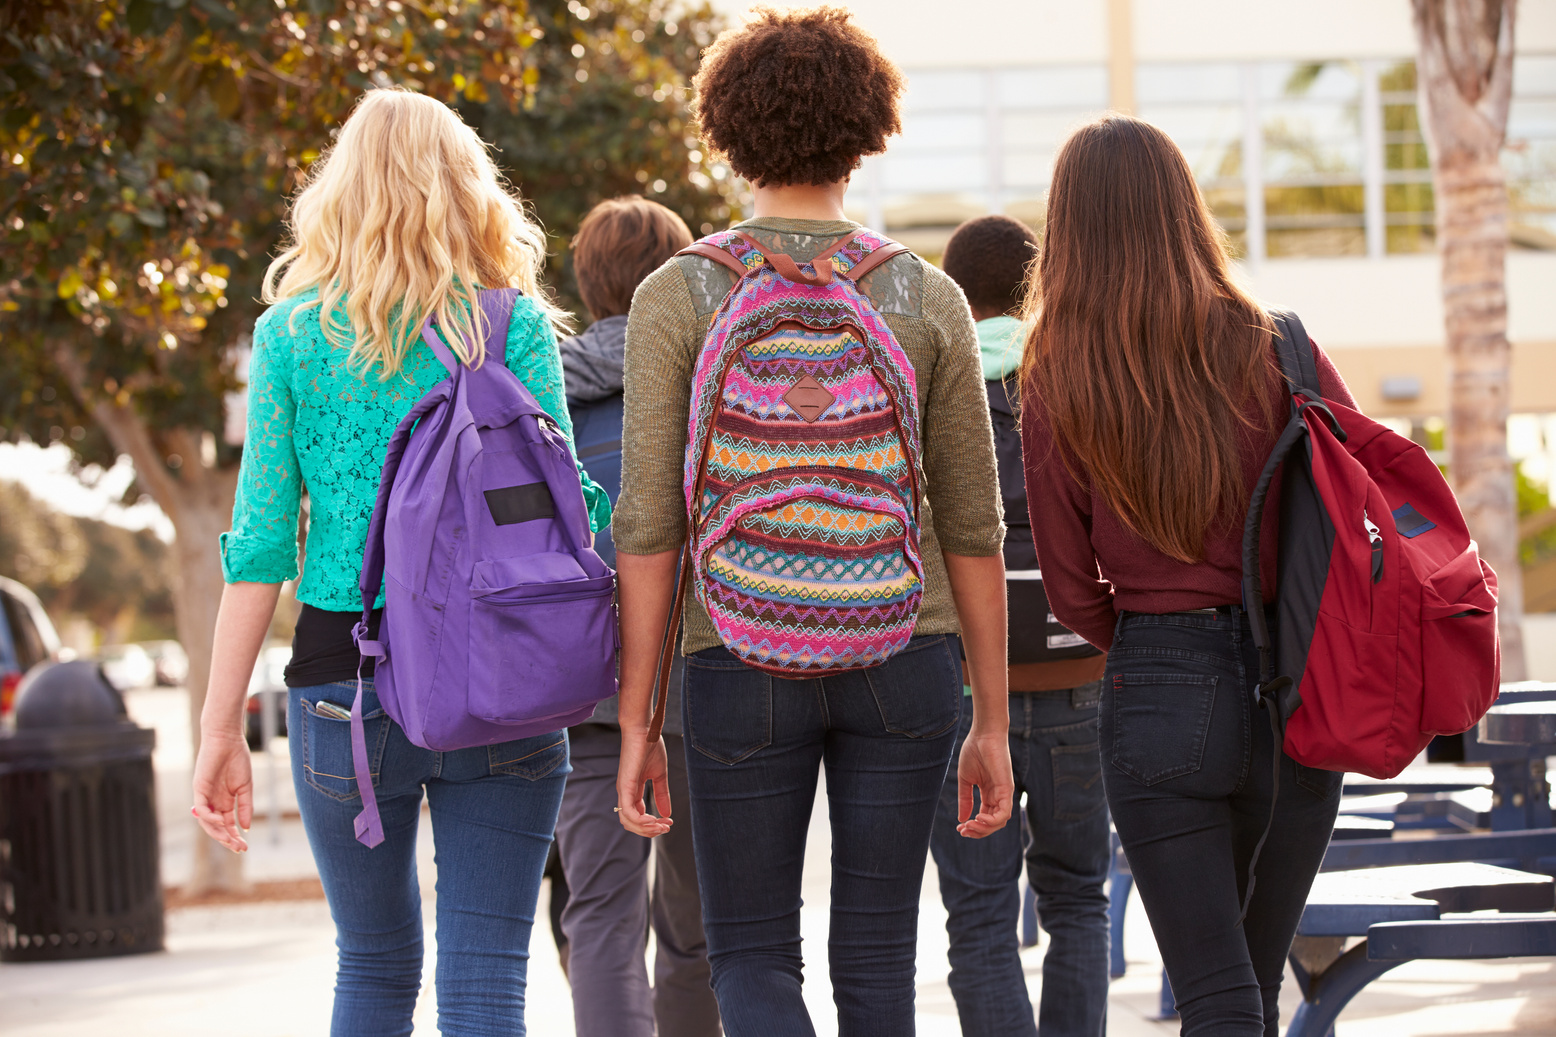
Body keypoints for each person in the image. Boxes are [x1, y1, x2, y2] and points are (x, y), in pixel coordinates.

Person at [611, 9, 1015, 1036]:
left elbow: (649, 524)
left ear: (725, 129)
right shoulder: (922, 295)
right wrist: (993, 720)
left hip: (732, 658)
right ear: (868, 127)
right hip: (903, 651)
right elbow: (972, 523)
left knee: (747, 953)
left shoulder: (678, 291)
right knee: (879, 959)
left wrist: (638, 718)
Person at [190, 88, 611, 1037]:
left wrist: (221, 729)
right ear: (471, 191)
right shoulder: (512, 327)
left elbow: (259, 548)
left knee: (373, 967)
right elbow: (572, 508)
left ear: (337, 195)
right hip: (503, 670)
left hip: (346, 686)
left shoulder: (290, 337)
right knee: (487, 977)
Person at [1021, 115, 1353, 1037]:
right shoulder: (1279, 345)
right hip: (1296, 683)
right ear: (1186, 209)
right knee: (1247, 975)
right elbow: (1355, 502)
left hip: (1159, 676)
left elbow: (1067, 580)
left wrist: (1144, 642)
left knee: (1215, 990)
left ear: (1069, 224)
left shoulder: (1057, 366)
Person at [929, 214, 1111, 1037]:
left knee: (978, 914)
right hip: (1080, 678)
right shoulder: (1080, 387)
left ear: (955, 295)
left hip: (964, 691)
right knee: (1078, 900)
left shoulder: (934, 383)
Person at [553, 196, 722, 1037]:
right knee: (697, 930)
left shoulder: (543, 397)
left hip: (583, 693)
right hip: (700, 685)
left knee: (600, 922)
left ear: (586, 284)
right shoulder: (708, 389)